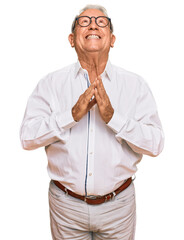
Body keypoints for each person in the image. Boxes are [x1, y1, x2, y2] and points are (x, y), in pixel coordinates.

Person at [20, 4, 164, 240]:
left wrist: (113, 118)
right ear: (71, 39)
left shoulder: (135, 85)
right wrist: (71, 116)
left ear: (113, 38)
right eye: (84, 22)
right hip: (66, 207)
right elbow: (26, 137)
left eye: (101, 21)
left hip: (119, 207)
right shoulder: (50, 84)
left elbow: (156, 144)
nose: (93, 24)